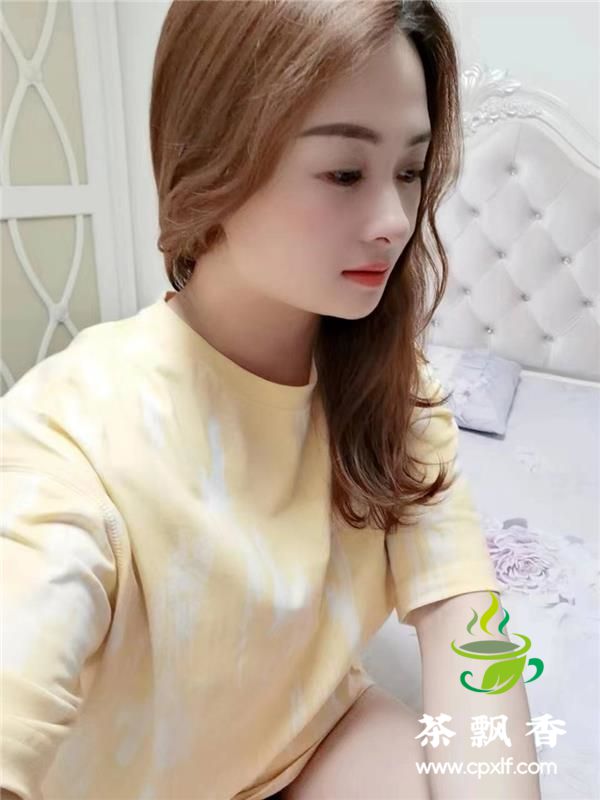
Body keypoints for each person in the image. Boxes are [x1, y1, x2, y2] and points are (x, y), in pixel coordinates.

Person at [1, 2, 525, 799]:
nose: (394, 221)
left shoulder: (396, 389)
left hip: (317, 735)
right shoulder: (73, 435)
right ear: (215, 159)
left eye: (410, 171)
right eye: (344, 173)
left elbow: (468, 623)